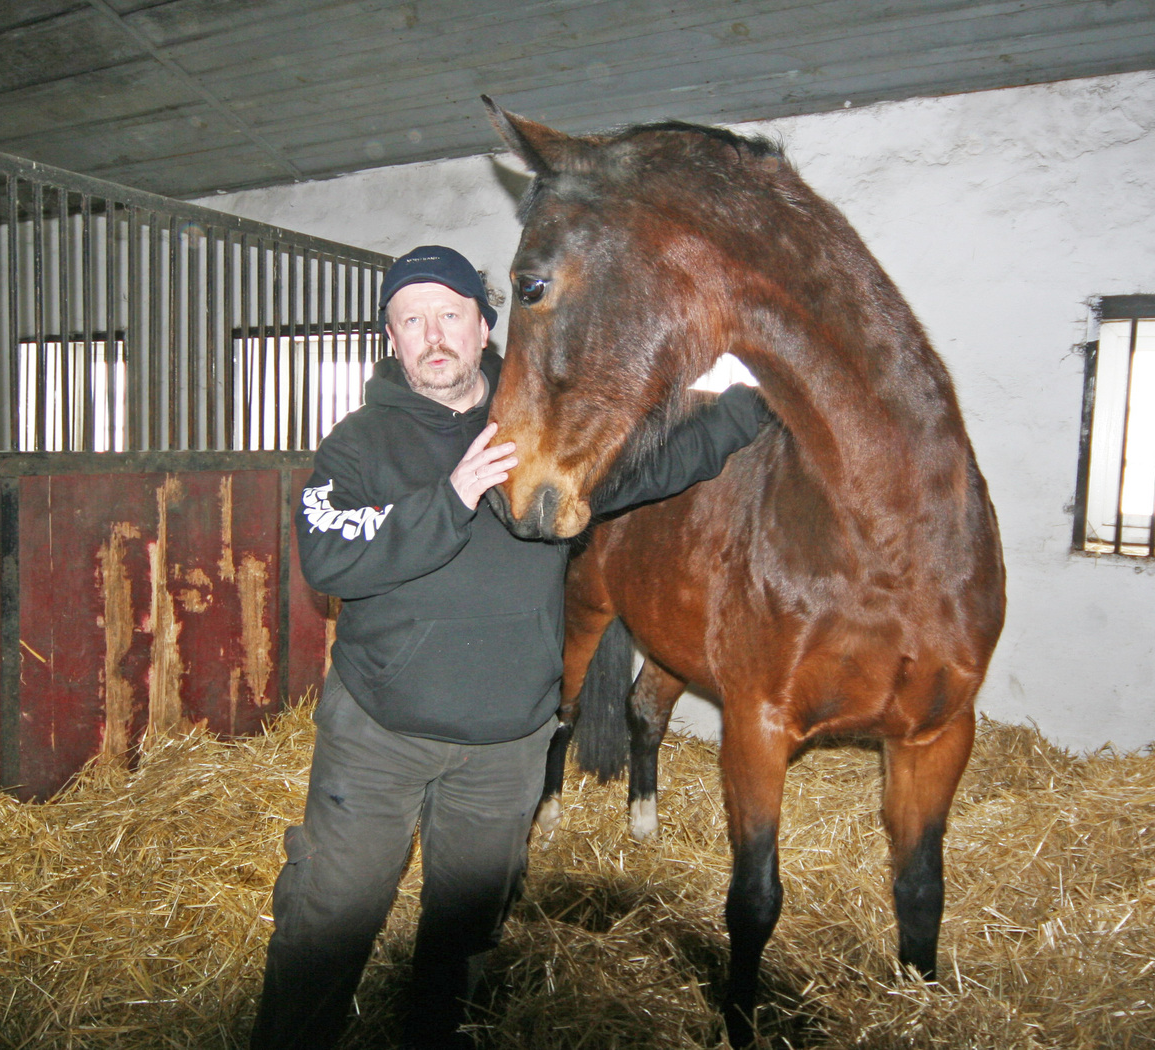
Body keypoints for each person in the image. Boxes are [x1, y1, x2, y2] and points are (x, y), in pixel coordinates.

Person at [251, 245, 771, 1050]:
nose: (433, 336)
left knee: (465, 932)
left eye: (448, 315)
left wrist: (753, 406)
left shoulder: (545, 431)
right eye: (411, 321)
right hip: (381, 736)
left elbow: (662, 460)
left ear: (484, 325)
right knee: (328, 918)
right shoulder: (357, 445)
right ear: (391, 338)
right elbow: (328, 554)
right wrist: (452, 497)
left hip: (505, 747)